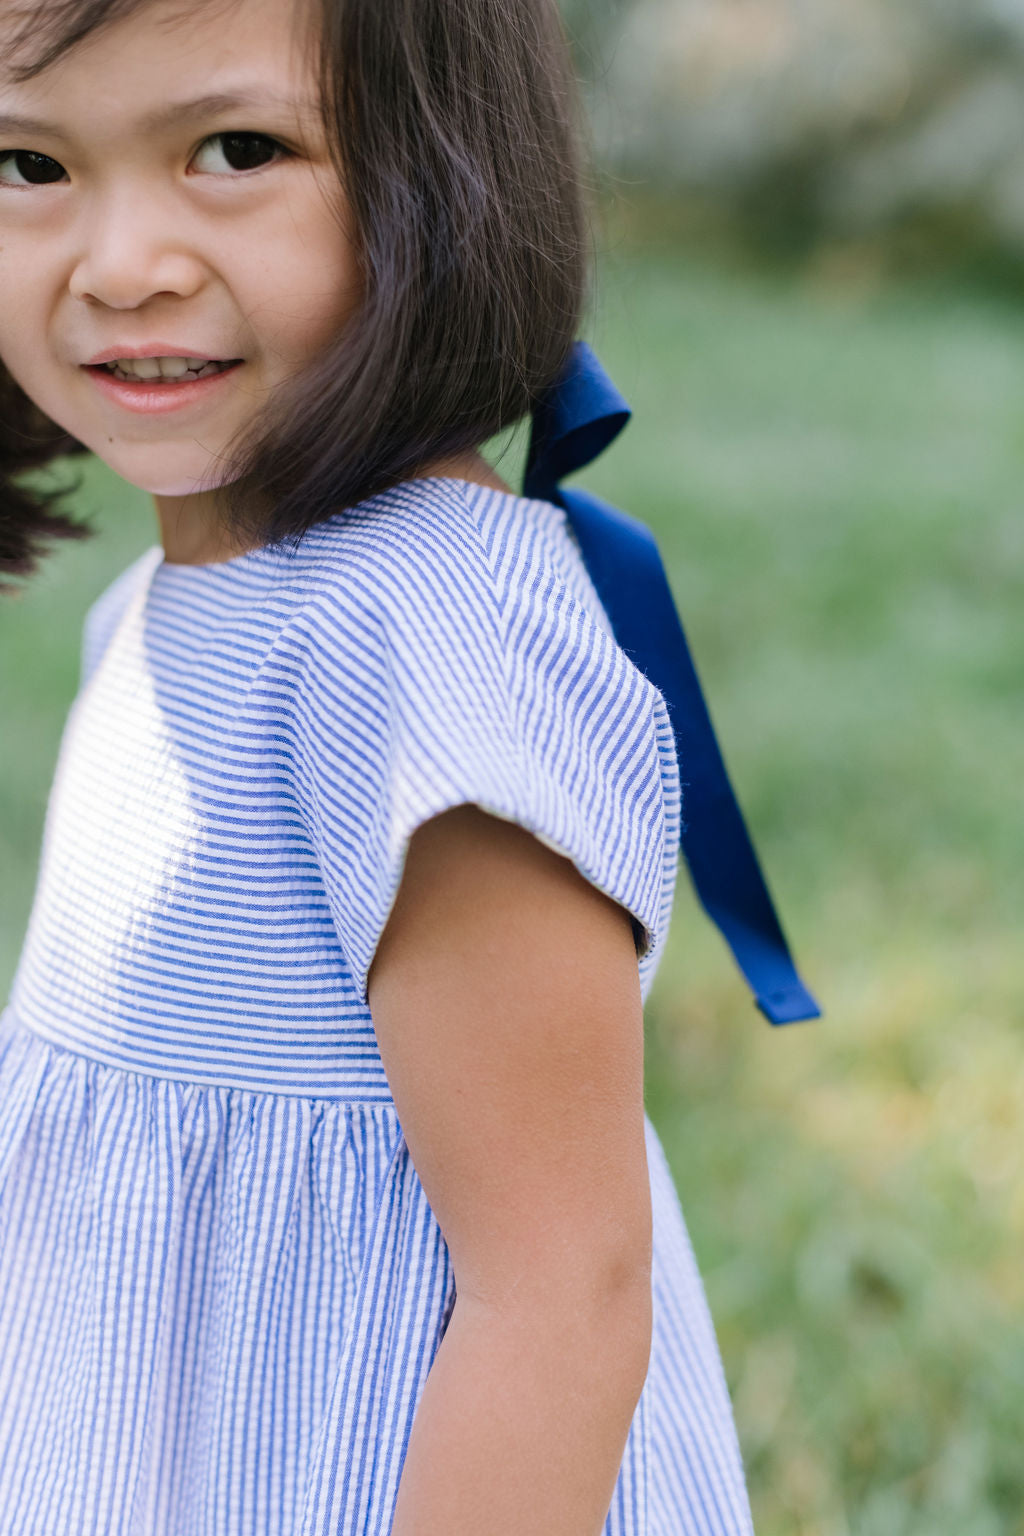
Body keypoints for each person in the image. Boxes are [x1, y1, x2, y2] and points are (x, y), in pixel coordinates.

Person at [0, 0, 758, 1530]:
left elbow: (560, 1290)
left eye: (236, 150)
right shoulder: (165, 609)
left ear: (443, 175)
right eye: (26, 163)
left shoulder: (420, 645)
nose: (120, 261)